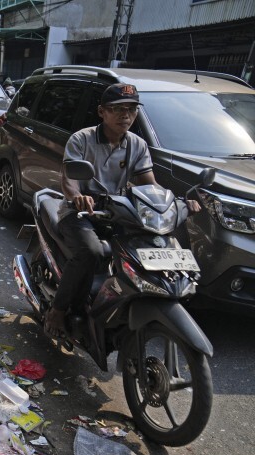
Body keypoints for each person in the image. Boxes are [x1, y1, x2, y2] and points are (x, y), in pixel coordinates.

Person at [44, 83, 200, 337]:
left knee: (146, 246)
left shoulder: (137, 145)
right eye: (117, 109)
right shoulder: (81, 139)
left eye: (131, 109)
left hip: (118, 211)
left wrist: (176, 203)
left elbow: (149, 183)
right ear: (102, 112)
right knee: (91, 252)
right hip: (78, 212)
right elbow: (69, 180)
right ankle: (58, 310)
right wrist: (78, 198)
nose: (125, 115)